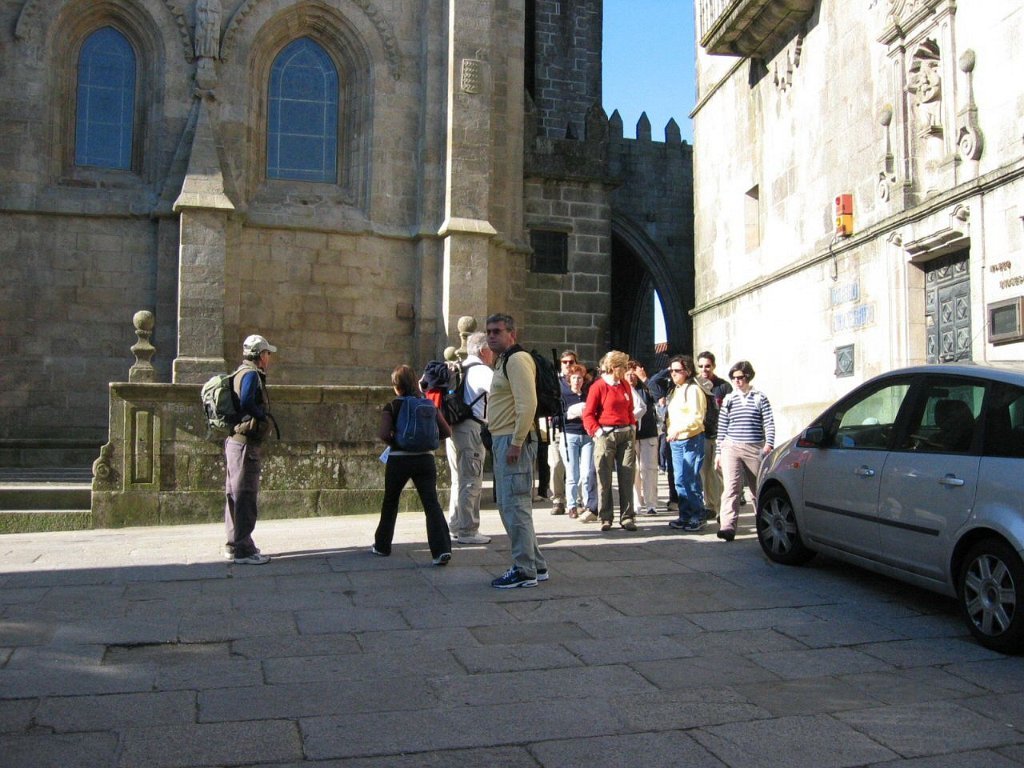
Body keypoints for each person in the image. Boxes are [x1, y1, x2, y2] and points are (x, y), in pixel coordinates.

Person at [485, 313, 548, 588]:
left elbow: (527, 404)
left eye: (497, 331)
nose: (491, 336)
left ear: (512, 333)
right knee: (511, 505)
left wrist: (516, 442)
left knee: (515, 507)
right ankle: (536, 565)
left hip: (513, 439)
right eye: (488, 331)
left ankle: (524, 570)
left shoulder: (517, 359)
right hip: (504, 438)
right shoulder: (504, 360)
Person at [373, 365, 453, 564]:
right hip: (425, 459)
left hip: (399, 459)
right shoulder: (428, 404)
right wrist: (426, 440)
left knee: (391, 501)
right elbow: (446, 431)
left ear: (397, 386)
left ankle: (382, 546)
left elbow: (383, 433)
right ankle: (441, 550)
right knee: (431, 503)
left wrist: (397, 442)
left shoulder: (393, 406)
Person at [223, 334, 277, 565]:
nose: (269, 357)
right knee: (245, 495)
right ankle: (244, 550)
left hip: (234, 441)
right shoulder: (252, 374)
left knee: (233, 495)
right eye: (267, 353)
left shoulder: (238, 372)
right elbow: (246, 401)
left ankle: (233, 544)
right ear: (260, 355)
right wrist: (261, 415)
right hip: (245, 445)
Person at [715, 360, 775, 542]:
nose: (737, 381)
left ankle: (763, 523)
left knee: (757, 488)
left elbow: (769, 422)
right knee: (731, 487)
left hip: (754, 447)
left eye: (740, 377)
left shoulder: (760, 398)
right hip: (731, 446)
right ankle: (727, 526)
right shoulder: (729, 399)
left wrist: (768, 444)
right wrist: (719, 452)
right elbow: (722, 426)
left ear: (748, 377)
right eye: (733, 378)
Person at [583, 350, 641, 532]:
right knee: (604, 477)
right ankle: (605, 517)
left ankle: (627, 517)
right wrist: (597, 431)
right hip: (606, 434)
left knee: (627, 476)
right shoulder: (598, 386)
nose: (626, 370)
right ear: (613, 367)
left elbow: (630, 408)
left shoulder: (624, 385)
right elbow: (588, 414)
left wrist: (632, 426)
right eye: (623, 366)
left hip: (626, 434)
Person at [446, 332, 493, 545]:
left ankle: (455, 525)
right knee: (471, 480)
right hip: (472, 429)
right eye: (490, 349)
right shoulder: (482, 371)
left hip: (453, 427)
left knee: (458, 479)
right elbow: (500, 395)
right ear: (483, 350)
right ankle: (468, 530)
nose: (492, 353)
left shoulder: (460, 367)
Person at [664, 355, 707, 532]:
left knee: (691, 479)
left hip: (691, 439)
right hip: (676, 441)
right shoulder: (675, 390)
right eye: (671, 370)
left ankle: (698, 515)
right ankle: (685, 515)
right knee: (679, 480)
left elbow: (697, 418)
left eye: (677, 370)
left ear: (687, 371)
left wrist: (679, 430)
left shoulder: (693, 390)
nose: (673, 373)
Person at [696, 351, 732, 522]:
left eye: (707, 366)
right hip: (702, 434)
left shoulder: (723, 386)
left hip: (720, 435)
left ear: (714, 366)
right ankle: (710, 505)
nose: (704, 369)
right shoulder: (695, 386)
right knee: (705, 472)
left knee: (720, 472)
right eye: (701, 366)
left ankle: (722, 508)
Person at [561, 363, 597, 520]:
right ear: (569, 380)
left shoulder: (587, 396)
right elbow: (557, 418)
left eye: (580, 378)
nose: (577, 381)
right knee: (572, 473)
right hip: (570, 435)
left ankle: (588, 505)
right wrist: (571, 413)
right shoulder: (564, 396)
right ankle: (572, 506)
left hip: (587, 436)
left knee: (587, 473)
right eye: (574, 378)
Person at [546, 349, 578, 513]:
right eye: (564, 362)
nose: (567, 365)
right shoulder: (554, 382)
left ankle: (576, 500)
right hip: (557, 428)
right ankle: (558, 499)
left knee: (575, 466)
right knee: (556, 464)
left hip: (576, 428)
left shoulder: (580, 381)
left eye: (571, 362)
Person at [626, 360, 659, 516]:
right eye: (627, 374)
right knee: (634, 470)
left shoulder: (646, 388)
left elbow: (658, 397)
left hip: (648, 433)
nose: (630, 377)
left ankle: (651, 504)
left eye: (633, 374)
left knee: (649, 469)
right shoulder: (622, 389)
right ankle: (636, 502)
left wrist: (645, 379)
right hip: (630, 434)